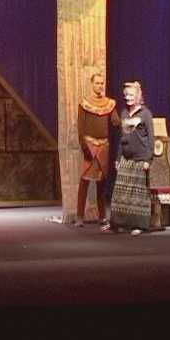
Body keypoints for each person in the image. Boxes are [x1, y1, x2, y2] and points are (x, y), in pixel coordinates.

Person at [102, 81, 156, 236]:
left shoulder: (145, 114)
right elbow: (123, 138)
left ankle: (138, 225)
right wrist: (118, 158)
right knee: (120, 193)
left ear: (138, 96)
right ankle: (118, 223)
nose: (128, 98)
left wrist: (148, 160)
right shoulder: (124, 113)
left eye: (131, 95)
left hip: (140, 159)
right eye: (126, 95)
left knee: (138, 194)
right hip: (126, 158)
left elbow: (151, 139)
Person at [75, 73, 120, 227]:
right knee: (85, 181)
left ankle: (102, 216)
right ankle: (79, 216)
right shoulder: (84, 103)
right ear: (92, 84)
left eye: (102, 83)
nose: (100, 86)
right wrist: (84, 146)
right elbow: (80, 127)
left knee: (102, 181)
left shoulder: (108, 103)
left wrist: (125, 120)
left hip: (104, 146)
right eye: (97, 83)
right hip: (90, 145)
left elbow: (115, 121)